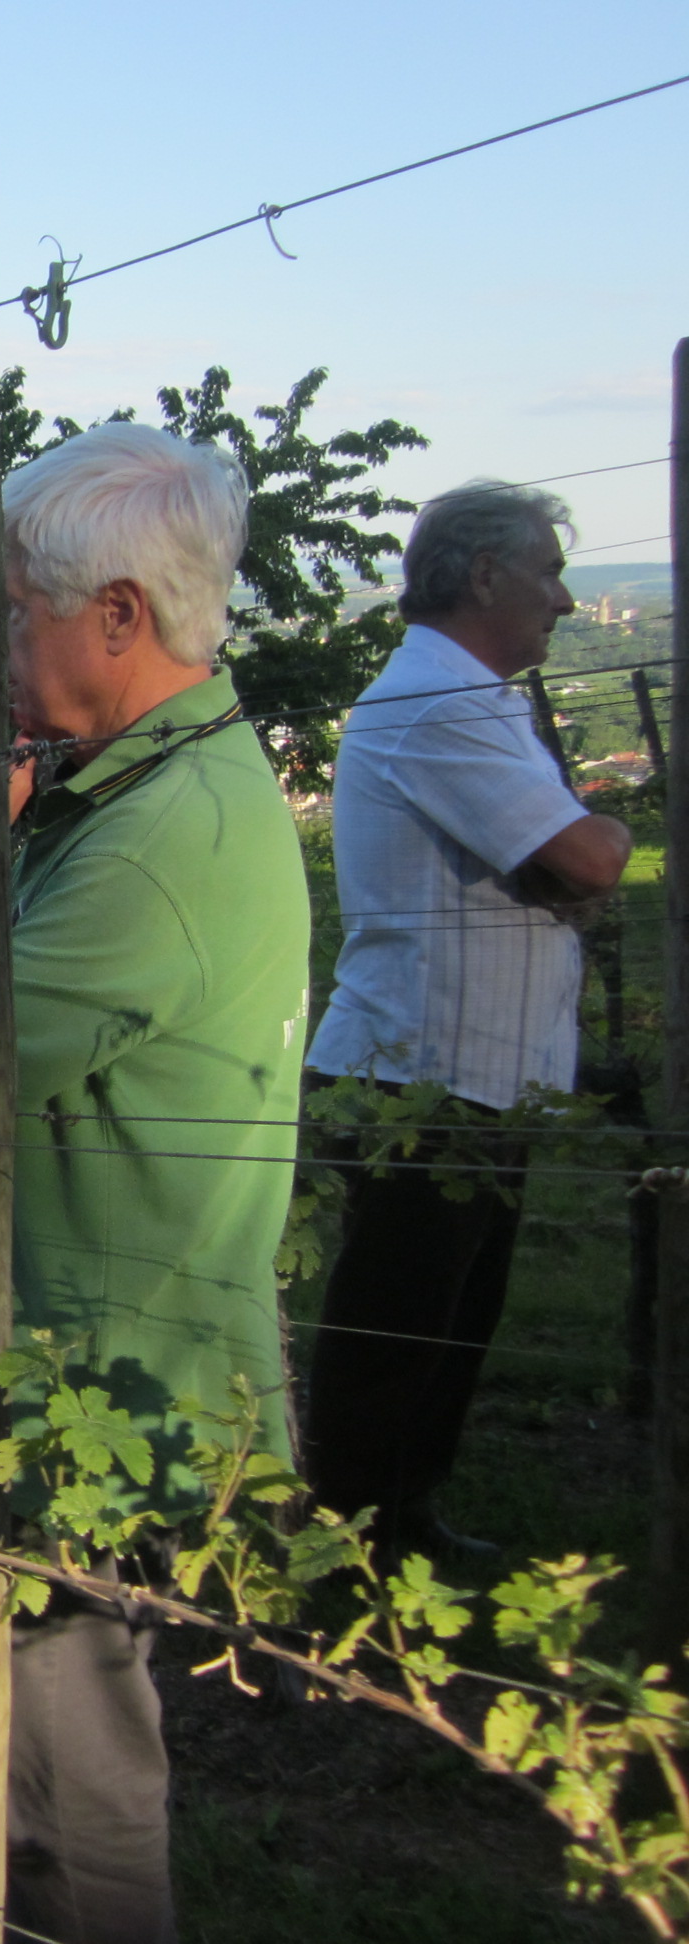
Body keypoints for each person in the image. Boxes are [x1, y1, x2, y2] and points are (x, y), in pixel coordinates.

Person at [1, 421, 309, 1943]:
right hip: (120, 1352)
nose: (1, 643)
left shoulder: (152, 838)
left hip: (94, 1381)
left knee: (74, 1790)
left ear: (117, 614)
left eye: (16, 611)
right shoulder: (157, 787)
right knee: (26, 1749)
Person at [303, 482, 626, 1562]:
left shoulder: (472, 698)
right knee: (397, 1334)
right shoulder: (435, 703)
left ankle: (403, 1529)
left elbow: (565, 862)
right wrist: (604, 843)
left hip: (469, 1073)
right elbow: (586, 859)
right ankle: (352, 1545)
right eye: (549, 573)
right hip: (424, 1076)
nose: (565, 600)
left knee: (449, 1323)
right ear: (484, 576)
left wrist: (572, 858)